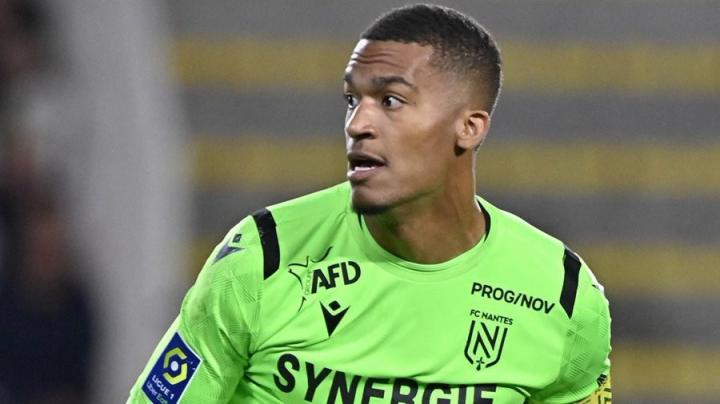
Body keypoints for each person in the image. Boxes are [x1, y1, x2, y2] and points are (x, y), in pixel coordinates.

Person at [128, 4, 611, 403]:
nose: (357, 124)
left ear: (469, 128)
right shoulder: (264, 259)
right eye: (351, 100)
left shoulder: (563, 295)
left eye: (391, 101)